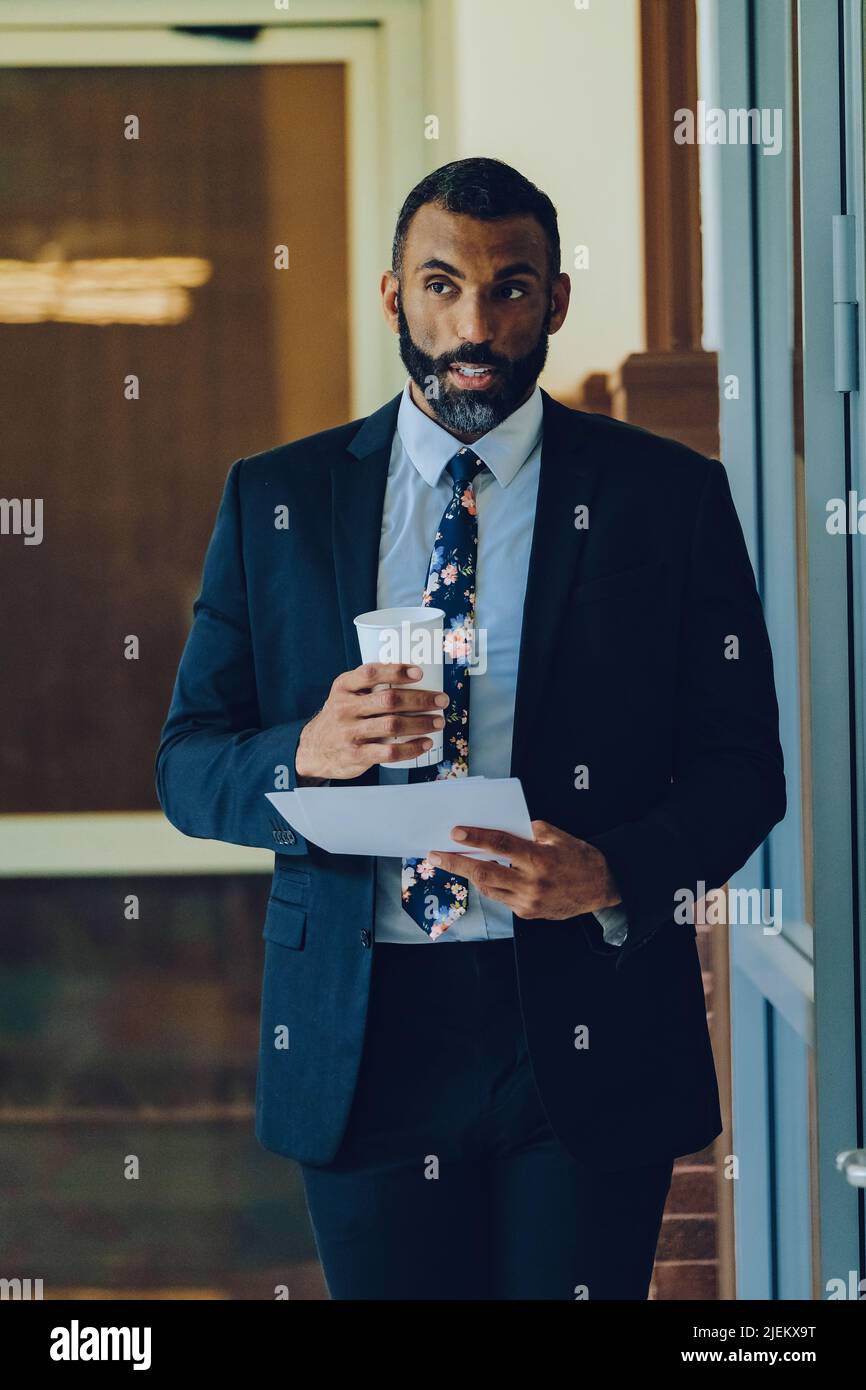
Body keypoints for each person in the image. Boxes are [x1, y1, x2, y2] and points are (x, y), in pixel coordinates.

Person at [156, 157, 786, 1300]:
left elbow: (744, 766)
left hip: (585, 1025)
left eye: (510, 288)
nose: (475, 324)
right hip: (362, 1033)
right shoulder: (276, 498)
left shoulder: (666, 496)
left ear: (552, 301)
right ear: (393, 297)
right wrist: (303, 751)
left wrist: (610, 873)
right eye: (441, 285)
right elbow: (187, 761)